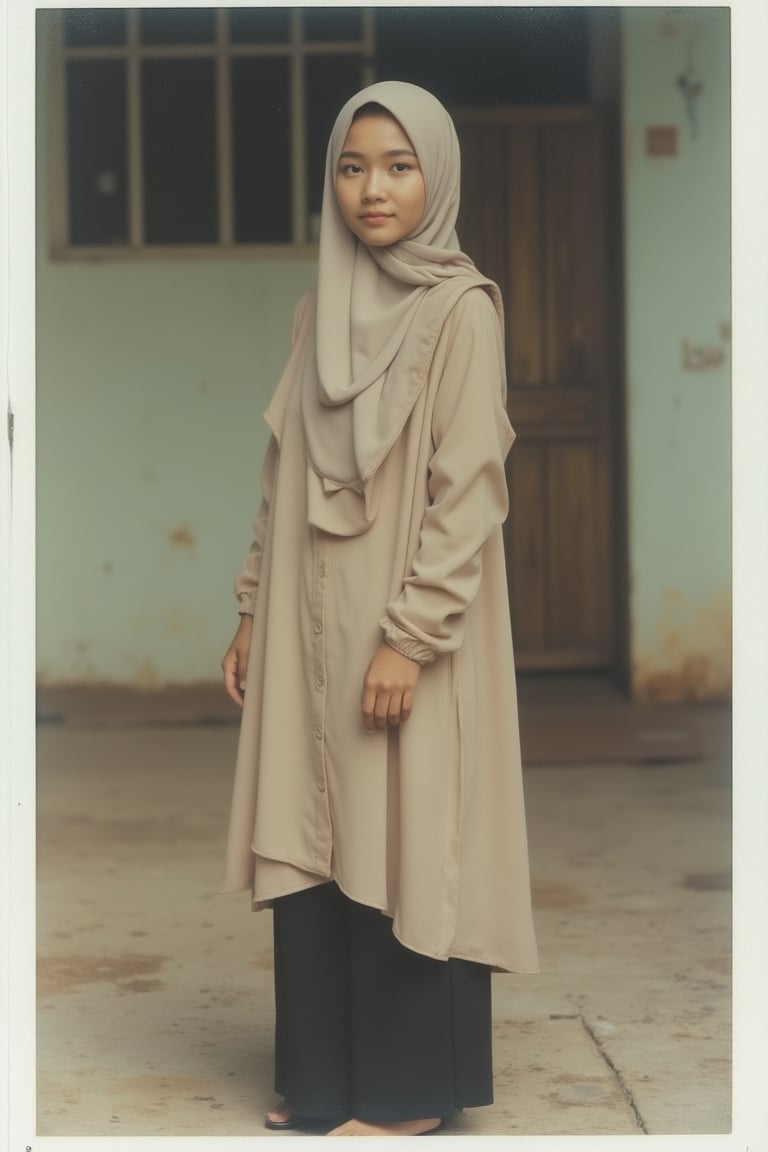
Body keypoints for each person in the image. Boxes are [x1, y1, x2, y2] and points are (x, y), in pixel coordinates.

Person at [220, 80, 538, 1138]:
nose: (372, 189)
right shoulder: (322, 304)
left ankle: (405, 1097)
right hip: (309, 627)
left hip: (407, 634)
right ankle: (322, 1086)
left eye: (398, 166)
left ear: (436, 176)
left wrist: (408, 636)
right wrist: (256, 609)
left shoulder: (462, 309)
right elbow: (286, 474)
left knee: (405, 835)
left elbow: (468, 493)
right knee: (314, 834)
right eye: (353, 166)